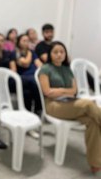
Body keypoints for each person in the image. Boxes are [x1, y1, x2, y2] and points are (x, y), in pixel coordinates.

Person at [39, 41, 101, 174]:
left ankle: (95, 163)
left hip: (69, 102)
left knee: (92, 121)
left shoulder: (68, 69)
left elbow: (74, 91)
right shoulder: (45, 69)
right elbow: (47, 92)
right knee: (89, 104)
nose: (59, 55)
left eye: (62, 52)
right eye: (55, 52)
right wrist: (65, 90)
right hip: (53, 105)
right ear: (50, 54)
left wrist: (61, 91)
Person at [9, 34, 43, 115]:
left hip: (32, 77)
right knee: (34, 81)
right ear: (18, 42)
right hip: (21, 78)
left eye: (27, 40)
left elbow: (40, 65)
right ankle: (39, 107)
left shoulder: (33, 52)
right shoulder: (15, 53)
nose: (26, 43)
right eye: (23, 40)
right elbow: (25, 63)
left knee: (27, 92)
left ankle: (28, 113)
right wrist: (30, 53)